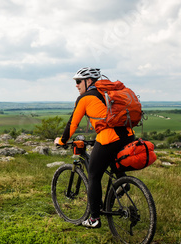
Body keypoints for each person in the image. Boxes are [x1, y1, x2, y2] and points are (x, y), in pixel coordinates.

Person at [54, 67, 135, 228]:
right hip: (128, 134)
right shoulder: (107, 94)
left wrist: (62, 141)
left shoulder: (85, 98)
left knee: (93, 175)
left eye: (78, 82)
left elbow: (72, 124)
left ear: (88, 81)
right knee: (110, 160)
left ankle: (94, 219)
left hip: (109, 138)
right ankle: (122, 181)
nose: (76, 85)